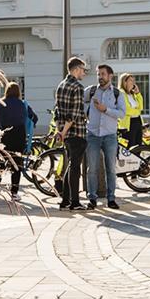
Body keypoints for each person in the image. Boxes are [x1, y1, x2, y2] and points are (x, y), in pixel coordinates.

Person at [85, 64, 125, 210]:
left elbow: (121, 113)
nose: (100, 77)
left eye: (103, 74)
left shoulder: (116, 93)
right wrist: (86, 111)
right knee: (92, 169)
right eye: (98, 74)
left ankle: (111, 199)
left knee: (111, 169)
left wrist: (105, 109)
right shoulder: (90, 91)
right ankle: (92, 199)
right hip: (93, 135)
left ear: (110, 76)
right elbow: (80, 104)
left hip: (110, 135)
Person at [53, 57, 88, 211]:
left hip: (66, 133)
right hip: (76, 132)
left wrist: (60, 131)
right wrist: (64, 131)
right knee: (75, 168)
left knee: (70, 166)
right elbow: (73, 115)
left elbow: (57, 112)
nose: (84, 73)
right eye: (82, 69)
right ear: (75, 69)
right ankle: (75, 202)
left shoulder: (61, 85)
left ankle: (65, 201)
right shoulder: (78, 87)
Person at [0, 82, 37, 198]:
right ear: (18, 92)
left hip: (2, 135)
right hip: (18, 135)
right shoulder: (22, 104)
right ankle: (14, 192)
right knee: (16, 165)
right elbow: (34, 118)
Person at [117, 73, 145, 146]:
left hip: (137, 121)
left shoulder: (133, 94)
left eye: (133, 80)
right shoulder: (121, 93)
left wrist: (138, 93)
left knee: (138, 145)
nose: (133, 83)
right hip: (129, 123)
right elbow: (126, 109)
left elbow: (141, 107)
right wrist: (137, 111)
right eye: (130, 80)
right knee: (130, 145)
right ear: (124, 82)